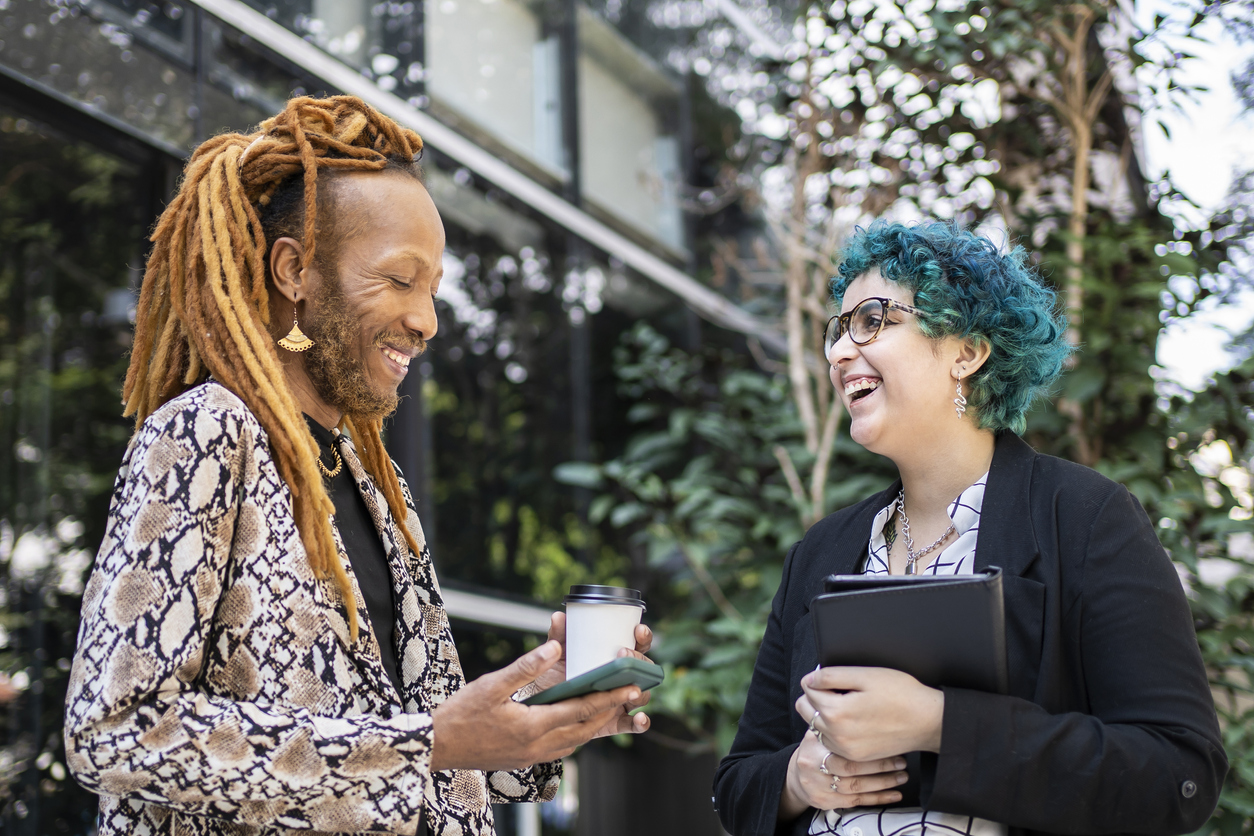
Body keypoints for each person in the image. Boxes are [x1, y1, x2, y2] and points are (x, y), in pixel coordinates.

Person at [64, 96, 652, 836]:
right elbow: (115, 730)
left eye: (433, 288)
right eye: (399, 279)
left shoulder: (378, 487)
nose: (426, 320)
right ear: (293, 272)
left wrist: (547, 702)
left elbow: (428, 756)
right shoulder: (207, 431)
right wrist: (427, 741)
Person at [713, 221, 1226, 836]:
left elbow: (1178, 775)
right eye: (839, 330)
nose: (840, 351)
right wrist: (796, 780)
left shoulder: (1085, 518)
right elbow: (738, 783)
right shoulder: (820, 552)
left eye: (873, 320)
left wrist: (940, 724)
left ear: (968, 351)